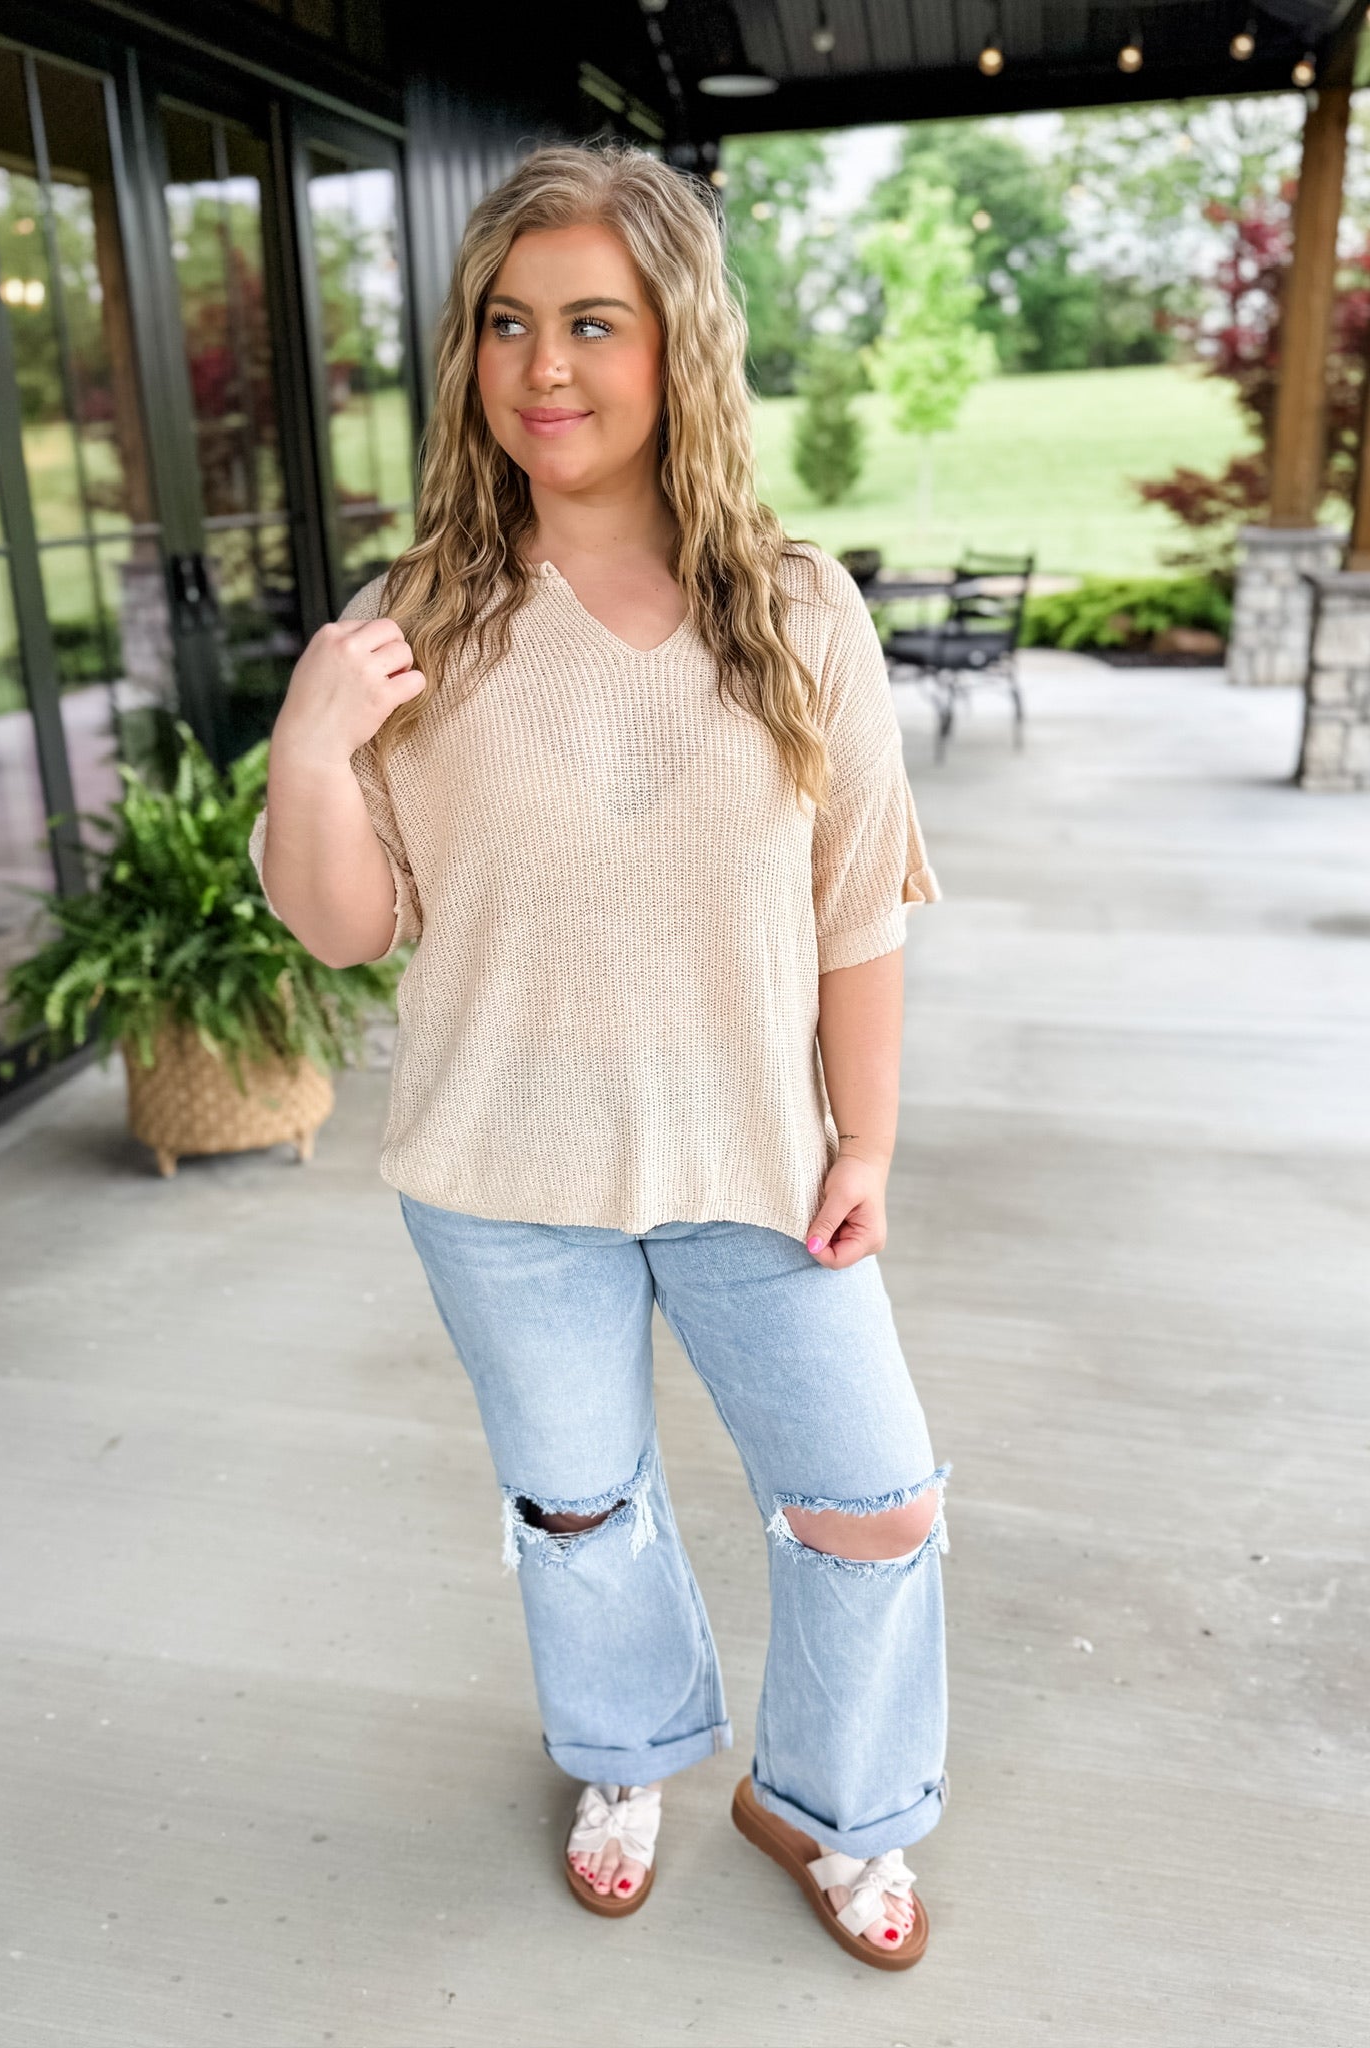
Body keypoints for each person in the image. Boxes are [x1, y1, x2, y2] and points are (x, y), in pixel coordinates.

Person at [249, 140, 948, 1968]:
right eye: (506, 324)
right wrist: (311, 746)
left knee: (873, 1505)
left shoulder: (796, 610)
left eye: (590, 323)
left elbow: (858, 907)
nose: (541, 367)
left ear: (675, 345)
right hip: (501, 1181)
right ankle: (625, 1755)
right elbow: (345, 924)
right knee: (579, 1510)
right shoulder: (418, 620)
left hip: (757, 1166)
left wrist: (866, 1138)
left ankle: (829, 1805)